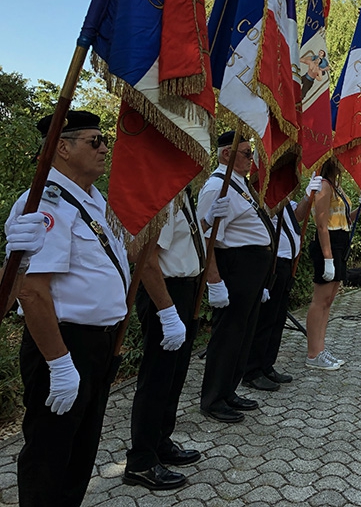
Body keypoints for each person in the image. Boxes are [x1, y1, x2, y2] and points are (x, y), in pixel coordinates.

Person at [7, 110, 130, 506]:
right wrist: (59, 364)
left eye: (104, 140)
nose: (104, 148)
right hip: (62, 347)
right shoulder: (45, 202)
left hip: (96, 346)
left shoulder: (91, 198)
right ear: (62, 147)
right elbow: (32, 291)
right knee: (50, 456)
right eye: (95, 141)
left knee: (79, 455)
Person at [123, 185, 225, 490]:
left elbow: (182, 243)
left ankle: (160, 442)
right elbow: (145, 257)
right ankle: (141, 461)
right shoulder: (162, 197)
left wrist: (205, 221)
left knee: (174, 375)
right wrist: (166, 311)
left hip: (185, 289)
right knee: (157, 377)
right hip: (166, 293)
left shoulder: (182, 195)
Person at [197, 131, 274, 423]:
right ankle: (213, 398)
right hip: (236, 267)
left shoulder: (237, 183)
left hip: (251, 269)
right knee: (227, 335)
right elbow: (207, 239)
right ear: (226, 155)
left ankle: (229, 391)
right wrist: (214, 283)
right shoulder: (217, 187)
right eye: (245, 153)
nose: (251, 159)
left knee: (242, 334)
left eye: (251, 153)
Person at [243, 175, 319, 390]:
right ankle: (252, 370)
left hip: (286, 262)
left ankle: (267, 365)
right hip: (272, 262)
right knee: (265, 320)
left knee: (277, 319)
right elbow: (266, 213)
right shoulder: (262, 195)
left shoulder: (283, 199)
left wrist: (307, 196)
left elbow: (299, 216)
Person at [306, 158, 358, 370]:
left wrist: (360, 208)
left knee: (328, 301)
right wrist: (328, 258)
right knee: (320, 300)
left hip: (340, 241)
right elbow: (321, 224)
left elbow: (343, 219)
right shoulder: (324, 185)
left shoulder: (337, 187)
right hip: (328, 245)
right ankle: (312, 353)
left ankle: (321, 348)